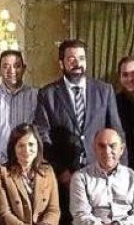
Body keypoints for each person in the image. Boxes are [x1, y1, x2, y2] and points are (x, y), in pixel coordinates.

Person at [33, 39, 125, 193]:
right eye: (71, 59)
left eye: (81, 58)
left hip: (102, 172)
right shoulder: (47, 94)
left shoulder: (104, 90)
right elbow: (42, 135)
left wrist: (118, 170)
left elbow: (116, 132)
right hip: (64, 177)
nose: (77, 63)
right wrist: (61, 171)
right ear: (61, 63)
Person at [0, 50, 39, 171]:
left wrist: (28, 159)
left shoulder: (35, 95)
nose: (12, 71)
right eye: (6, 66)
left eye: (17, 66)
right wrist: (2, 161)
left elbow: (39, 132)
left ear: (24, 68)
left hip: (29, 166)